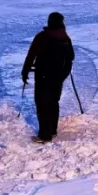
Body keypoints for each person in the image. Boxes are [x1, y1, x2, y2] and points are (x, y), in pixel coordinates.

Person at [21, 12, 75, 143]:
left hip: (43, 76)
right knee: (53, 102)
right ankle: (52, 130)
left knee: (42, 104)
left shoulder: (42, 37)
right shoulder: (65, 37)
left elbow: (31, 55)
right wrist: (63, 75)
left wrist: (25, 71)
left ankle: (45, 136)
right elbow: (71, 57)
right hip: (58, 77)